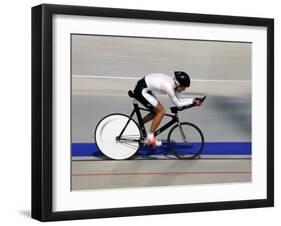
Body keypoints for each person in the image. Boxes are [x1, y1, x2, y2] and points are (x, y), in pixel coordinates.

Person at [133, 71, 202, 147]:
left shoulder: (174, 84)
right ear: (178, 85)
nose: (184, 89)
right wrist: (193, 102)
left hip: (144, 87)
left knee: (156, 112)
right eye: (184, 87)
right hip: (141, 90)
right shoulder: (169, 87)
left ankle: (137, 125)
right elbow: (178, 104)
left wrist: (193, 100)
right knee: (161, 111)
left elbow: (180, 99)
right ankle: (150, 137)